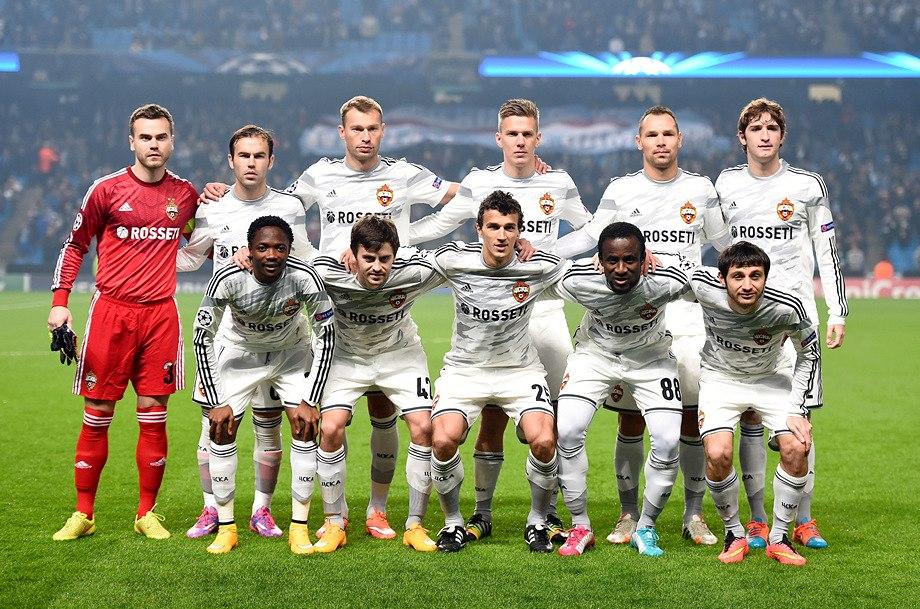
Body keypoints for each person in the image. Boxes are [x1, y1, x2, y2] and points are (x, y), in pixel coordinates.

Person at [204, 96, 458, 539]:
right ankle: (333, 517)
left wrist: (410, 237)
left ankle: (379, 510)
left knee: (386, 413)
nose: (365, 137)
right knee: (329, 425)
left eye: (373, 128)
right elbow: (277, 209)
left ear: (383, 131)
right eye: (357, 129)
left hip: (387, 303)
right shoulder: (319, 175)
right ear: (342, 132)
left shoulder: (404, 174)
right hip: (336, 309)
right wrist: (228, 195)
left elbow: (462, 198)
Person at [409, 98, 591, 543]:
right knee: (489, 419)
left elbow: (589, 229)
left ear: (538, 138)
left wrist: (546, 253)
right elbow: (439, 225)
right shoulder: (479, 183)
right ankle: (480, 512)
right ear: (499, 138)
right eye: (512, 134)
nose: (520, 142)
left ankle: (553, 514)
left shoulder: (559, 182)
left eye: (528, 134)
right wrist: (388, 238)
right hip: (487, 313)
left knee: (554, 425)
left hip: (542, 307)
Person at [556, 105, 730, 546]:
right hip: (632, 314)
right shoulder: (622, 189)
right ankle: (628, 514)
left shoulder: (700, 189)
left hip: (687, 317)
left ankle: (694, 514)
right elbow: (592, 237)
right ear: (639, 142)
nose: (660, 142)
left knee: (689, 420)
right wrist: (539, 249)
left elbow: (725, 245)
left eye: (668, 134)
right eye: (652, 135)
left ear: (679, 140)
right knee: (631, 421)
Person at [49, 103, 198, 541]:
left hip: (160, 316)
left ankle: (146, 512)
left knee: (154, 413)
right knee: (97, 412)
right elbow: (75, 245)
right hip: (111, 313)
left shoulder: (185, 195)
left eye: (161, 137)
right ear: (131, 141)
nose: (154, 144)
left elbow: (204, 239)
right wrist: (60, 302)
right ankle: (83, 513)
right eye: (145, 137)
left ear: (172, 141)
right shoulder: (106, 190)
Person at [716, 97, 846, 550]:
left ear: (782, 135)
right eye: (756, 128)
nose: (765, 135)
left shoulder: (807, 186)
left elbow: (827, 250)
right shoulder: (726, 183)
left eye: (772, 128)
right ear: (742, 137)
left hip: (797, 319)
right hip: (744, 318)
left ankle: (803, 520)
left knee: (799, 418)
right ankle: (756, 520)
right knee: (750, 414)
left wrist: (837, 311)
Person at [178, 124, 317, 540]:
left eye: (259, 156)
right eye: (244, 156)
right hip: (230, 338)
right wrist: (141, 255)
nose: (251, 163)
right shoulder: (213, 207)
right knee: (213, 426)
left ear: (271, 161)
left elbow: (305, 257)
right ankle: (211, 508)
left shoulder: (288, 207)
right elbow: (191, 257)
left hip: (282, 336)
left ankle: (262, 510)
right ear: (231, 161)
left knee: (269, 425)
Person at [428, 191, 568, 553]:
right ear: (479, 229)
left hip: (519, 371)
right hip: (465, 371)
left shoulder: (537, 265)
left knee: (544, 440)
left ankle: (537, 520)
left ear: (520, 231)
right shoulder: (453, 260)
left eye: (509, 227)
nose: (501, 235)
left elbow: (587, 272)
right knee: (442, 440)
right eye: (493, 227)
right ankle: (453, 522)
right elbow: (403, 263)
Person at [192, 215, 335, 554]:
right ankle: (226, 528)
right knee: (220, 428)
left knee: (305, 425)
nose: (271, 255)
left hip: (290, 352)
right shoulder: (228, 278)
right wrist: (217, 402)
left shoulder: (305, 277)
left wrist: (311, 399)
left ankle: (298, 528)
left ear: (289, 250)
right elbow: (202, 336)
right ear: (250, 250)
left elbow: (327, 335)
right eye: (263, 248)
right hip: (240, 352)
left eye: (279, 248)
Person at [554, 222, 692, 557]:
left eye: (630, 259)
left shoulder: (668, 280)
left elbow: (707, 281)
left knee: (668, 441)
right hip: (595, 356)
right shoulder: (577, 280)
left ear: (644, 259)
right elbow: (539, 272)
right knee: (567, 430)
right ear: (599, 261)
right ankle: (580, 526)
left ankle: (645, 526)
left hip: (651, 359)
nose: (620, 269)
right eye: (612, 260)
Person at [311, 216, 445, 553]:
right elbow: (288, 266)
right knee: (330, 428)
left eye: (385, 259)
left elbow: (454, 260)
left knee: (424, 427)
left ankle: (407, 521)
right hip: (346, 356)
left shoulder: (412, 273)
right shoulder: (328, 271)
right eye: (368, 258)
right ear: (353, 254)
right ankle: (334, 520)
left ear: (395, 256)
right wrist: (242, 254)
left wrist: (516, 248)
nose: (376, 267)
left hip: (399, 355)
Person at [690, 241, 818, 566]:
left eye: (755, 276)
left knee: (797, 447)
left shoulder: (787, 307)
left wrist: (797, 409)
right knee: (717, 453)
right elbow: (668, 278)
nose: (747, 285)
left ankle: (779, 538)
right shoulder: (703, 286)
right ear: (722, 278)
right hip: (720, 379)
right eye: (738, 276)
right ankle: (734, 533)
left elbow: (809, 352)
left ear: (765, 277)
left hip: (770, 378)